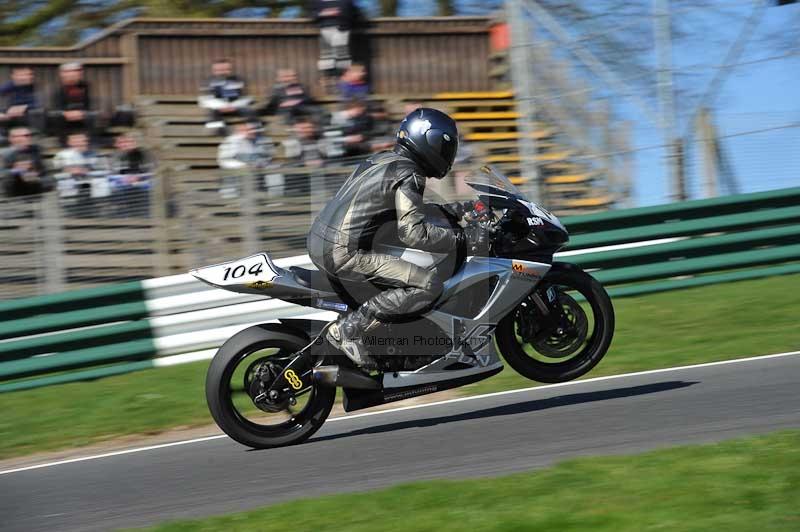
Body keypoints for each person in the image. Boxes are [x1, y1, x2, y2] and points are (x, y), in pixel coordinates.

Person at [306, 108, 491, 369]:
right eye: (444, 145)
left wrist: (455, 211)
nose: (447, 153)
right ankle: (349, 330)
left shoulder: (384, 160)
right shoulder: (409, 173)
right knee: (427, 283)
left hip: (321, 241)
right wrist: (465, 239)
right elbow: (413, 232)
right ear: (429, 140)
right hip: (345, 252)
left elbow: (395, 210)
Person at [218, 121, 280, 198]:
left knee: (275, 169)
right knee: (231, 173)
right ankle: (230, 198)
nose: (252, 131)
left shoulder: (264, 140)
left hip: (259, 168)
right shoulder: (231, 140)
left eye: (253, 129)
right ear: (239, 130)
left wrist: (260, 164)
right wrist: (242, 165)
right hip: (238, 170)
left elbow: (269, 156)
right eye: (248, 129)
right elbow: (224, 161)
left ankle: (275, 198)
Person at [198, 58, 255, 134]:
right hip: (217, 109)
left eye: (226, 69)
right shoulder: (208, 82)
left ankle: (255, 131)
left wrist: (233, 106)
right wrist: (223, 106)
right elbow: (205, 99)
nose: (222, 72)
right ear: (214, 71)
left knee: (250, 111)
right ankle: (219, 133)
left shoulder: (239, 80)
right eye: (219, 70)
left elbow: (246, 98)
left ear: (230, 70)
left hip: (237, 108)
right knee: (212, 113)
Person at [50, 63, 94, 145]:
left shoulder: (89, 87)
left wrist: (82, 113)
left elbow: (95, 105)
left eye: (75, 71)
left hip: (85, 118)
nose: (71, 74)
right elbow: (51, 109)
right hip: (63, 121)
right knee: (56, 117)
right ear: (62, 74)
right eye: (67, 72)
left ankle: (89, 143)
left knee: (94, 116)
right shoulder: (54, 90)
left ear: (80, 74)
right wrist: (64, 113)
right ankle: (64, 145)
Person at [313, 0, 357, 77]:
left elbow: (352, 13)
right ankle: (328, 81)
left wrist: (342, 18)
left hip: (342, 30)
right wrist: (324, 13)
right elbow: (312, 15)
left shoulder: (346, 1)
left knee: (342, 58)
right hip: (325, 30)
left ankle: (343, 81)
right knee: (327, 59)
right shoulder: (317, 2)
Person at [1, 127, 49, 197]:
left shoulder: (36, 150)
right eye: (24, 136)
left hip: (36, 188)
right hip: (15, 190)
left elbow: (43, 171)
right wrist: (17, 170)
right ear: (11, 139)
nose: (27, 138)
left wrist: (36, 175)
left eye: (28, 135)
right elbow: (2, 173)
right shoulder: (5, 154)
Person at [0, 67, 42, 136]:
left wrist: (24, 107)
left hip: (30, 120)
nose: (23, 78)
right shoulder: (9, 86)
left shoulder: (36, 87)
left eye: (26, 75)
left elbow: (40, 104)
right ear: (13, 76)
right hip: (10, 120)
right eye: (20, 75)